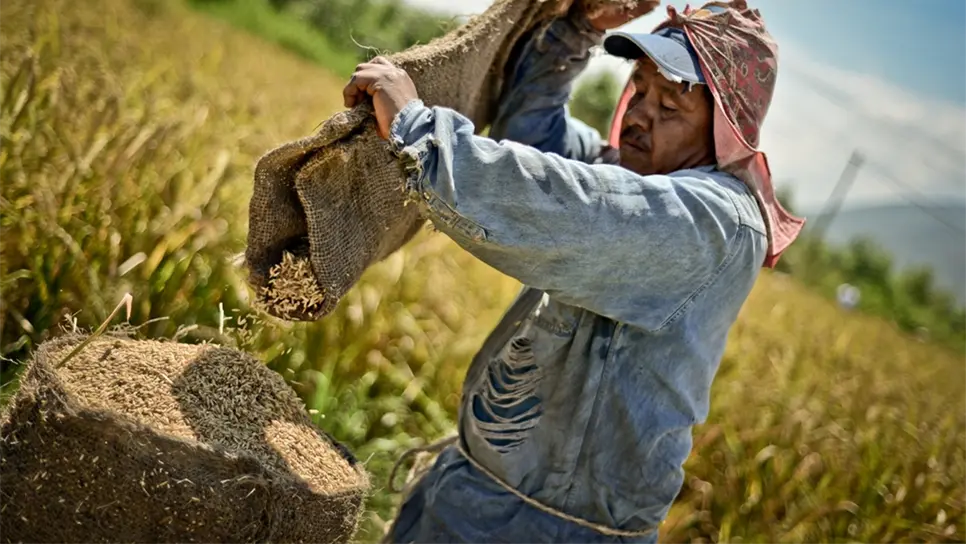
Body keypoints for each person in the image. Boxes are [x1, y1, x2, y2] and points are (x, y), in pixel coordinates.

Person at [343, 0, 805, 542]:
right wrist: (576, 31)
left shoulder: (713, 222)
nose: (638, 114)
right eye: (640, 88)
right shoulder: (630, 169)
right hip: (475, 497)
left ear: (725, 130)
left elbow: (561, 206)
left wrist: (417, 128)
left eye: (671, 106)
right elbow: (525, 139)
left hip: (547, 530)